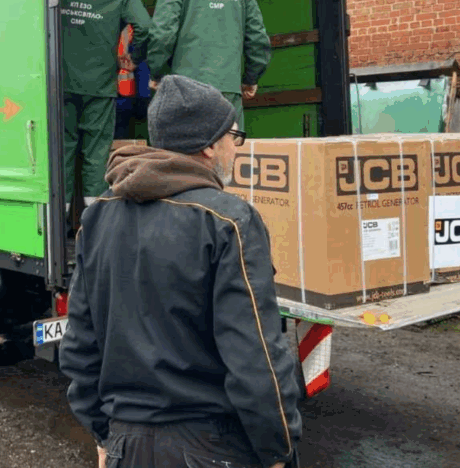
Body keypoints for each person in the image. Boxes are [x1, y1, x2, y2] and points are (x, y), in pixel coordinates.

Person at [59, 75, 302, 468]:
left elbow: (79, 345)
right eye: (233, 137)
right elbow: (256, 355)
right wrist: (278, 450)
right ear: (209, 145)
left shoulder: (98, 216)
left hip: (125, 446)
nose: (236, 149)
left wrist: (104, 435)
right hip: (211, 447)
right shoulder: (229, 221)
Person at [147, 0, 272, 128]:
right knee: (227, 146)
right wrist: (251, 79)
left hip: (186, 89)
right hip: (227, 89)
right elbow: (258, 38)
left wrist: (156, 72)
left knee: (188, 146)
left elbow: (162, 33)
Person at [61, 0, 151, 212]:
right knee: (96, 155)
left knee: (62, 151)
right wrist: (134, 58)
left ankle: (58, 220)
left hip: (61, 85)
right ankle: (92, 219)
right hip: (100, 88)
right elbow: (145, 26)